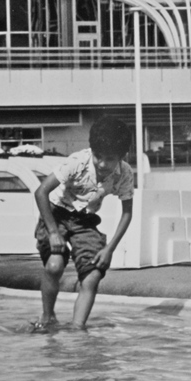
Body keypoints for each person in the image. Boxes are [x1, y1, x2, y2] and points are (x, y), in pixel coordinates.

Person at [33, 116, 134, 329]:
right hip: (56, 214)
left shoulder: (124, 173)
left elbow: (127, 213)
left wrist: (109, 248)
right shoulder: (77, 162)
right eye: (98, 157)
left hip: (85, 220)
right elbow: (41, 191)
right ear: (91, 150)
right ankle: (47, 317)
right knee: (54, 265)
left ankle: (78, 329)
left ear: (122, 156)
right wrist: (52, 232)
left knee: (93, 274)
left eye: (110, 158)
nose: (103, 164)